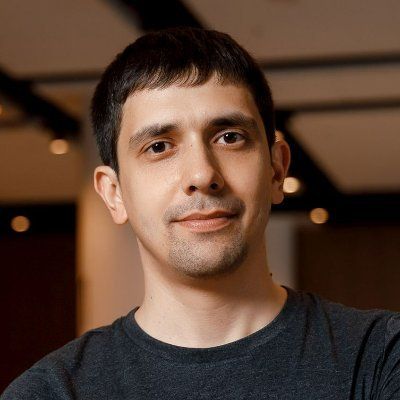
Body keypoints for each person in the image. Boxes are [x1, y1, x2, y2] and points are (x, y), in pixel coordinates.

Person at [2, 27, 400, 400]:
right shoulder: (50, 392)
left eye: (229, 137)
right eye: (159, 146)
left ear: (276, 170)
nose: (202, 175)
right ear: (114, 194)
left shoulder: (380, 357)